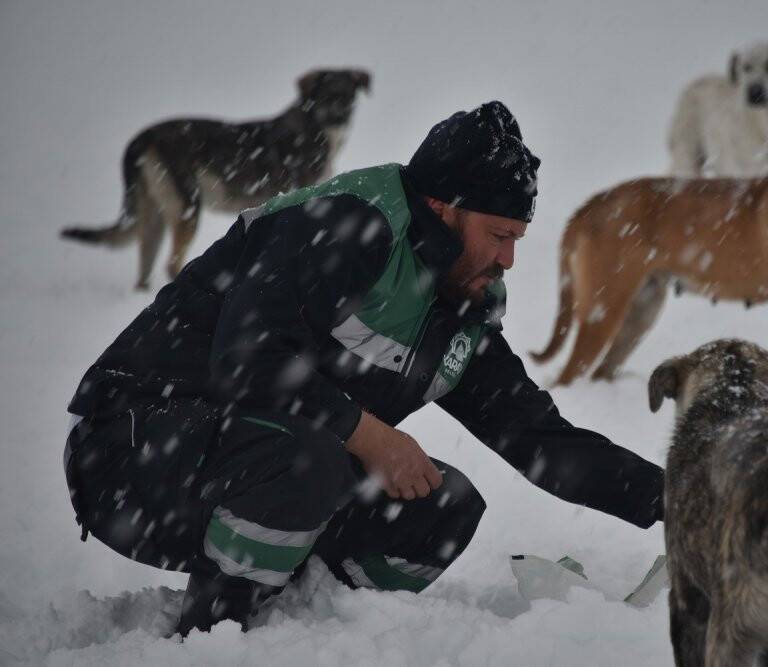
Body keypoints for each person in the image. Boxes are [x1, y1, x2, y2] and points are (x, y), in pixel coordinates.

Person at [63, 101, 664, 635]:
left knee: (442, 509)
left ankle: (299, 631)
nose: (509, 258)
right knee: (311, 460)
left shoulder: (458, 305)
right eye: (500, 235)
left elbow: (541, 442)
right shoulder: (347, 223)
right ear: (443, 209)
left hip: (256, 466)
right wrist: (370, 434)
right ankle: (216, 638)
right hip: (129, 454)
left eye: (518, 239)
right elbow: (248, 358)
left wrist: (684, 498)